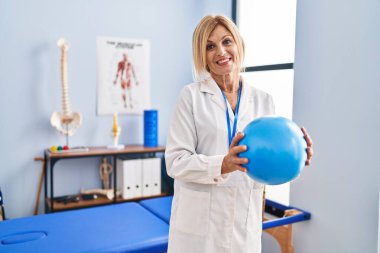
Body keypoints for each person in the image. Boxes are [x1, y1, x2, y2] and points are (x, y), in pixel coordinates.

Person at [165, 15, 313, 253]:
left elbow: (271, 159)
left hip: (243, 229)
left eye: (226, 41)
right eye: (210, 46)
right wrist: (222, 164)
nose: (221, 51)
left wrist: (296, 155)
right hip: (198, 232)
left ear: (238, 44)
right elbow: (175, 162)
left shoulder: (264, 101)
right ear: (201, 55)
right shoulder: (190, 97)